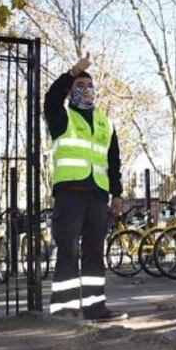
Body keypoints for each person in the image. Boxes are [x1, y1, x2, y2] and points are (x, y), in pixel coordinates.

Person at [44, 54, 127, 322]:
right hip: (70, 194)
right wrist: (73, 72)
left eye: (89, 86)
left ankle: (96, 308)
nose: (85, 90)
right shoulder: (61, 116)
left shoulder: (106, 122)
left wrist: (117, 194)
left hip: (97, 197)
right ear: (71, 91)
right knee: (67, 250)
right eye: (79, 86)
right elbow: (51, 97)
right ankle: (64, 310)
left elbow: (113, 160)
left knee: (94, 253)